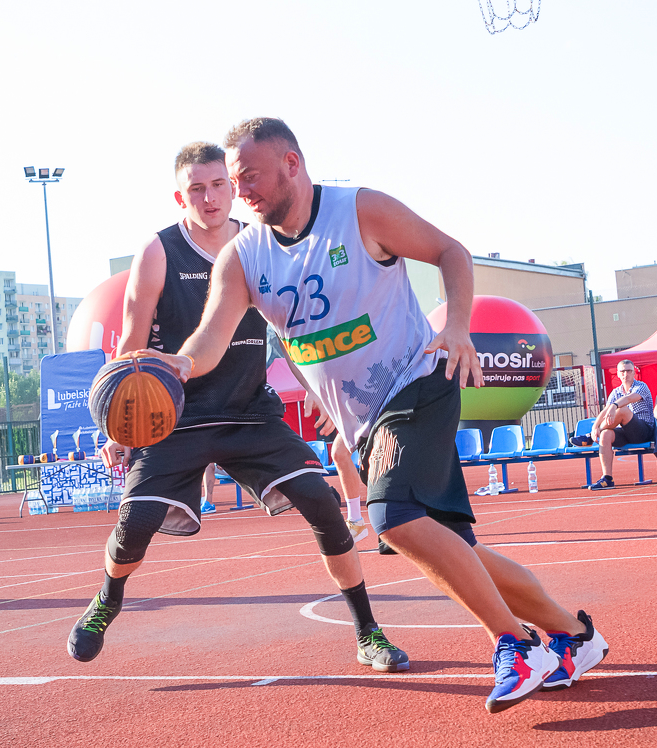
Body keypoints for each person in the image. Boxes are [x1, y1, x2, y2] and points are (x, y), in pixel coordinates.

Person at [160, 117, 607, 713]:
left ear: (292, 163)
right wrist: (178, 365)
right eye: (235, 181)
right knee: (456, 551)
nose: (241, 192)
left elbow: (450, 251)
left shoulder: (361, 211)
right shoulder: (242, 257)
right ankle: (575, 635)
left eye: (249, 177)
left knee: (391, 521)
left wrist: (456, 325)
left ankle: (516, 645)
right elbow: (211, 335)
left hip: (417, 380)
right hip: (364, 422)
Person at [66, 141, 407, 674]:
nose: (210, 198)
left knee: (321, 502)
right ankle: (108, 598)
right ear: (180, 197)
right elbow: (131, 341)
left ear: (232, 187)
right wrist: (119, 427)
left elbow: (291, 328)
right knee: (136, 523)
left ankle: (368, 632)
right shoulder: (159, 252)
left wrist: (317, 390)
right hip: (174, 418)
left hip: (249, 411)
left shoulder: (260, 243)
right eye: (196, 189)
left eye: (218, 185)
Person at [580, 359, 656, 489]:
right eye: (623, 371)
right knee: (605, 435)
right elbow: (605, 411)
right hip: (626, 432)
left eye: (629, 371)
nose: (626, 374)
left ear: (634, 372)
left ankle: (589, 438)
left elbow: (629, 398)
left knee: (623, 410)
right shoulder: (616, 392)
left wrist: (614, 406)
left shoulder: (641, 386)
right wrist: (595, 427)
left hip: (644, 431)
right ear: (618, 374)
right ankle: (607, 479)